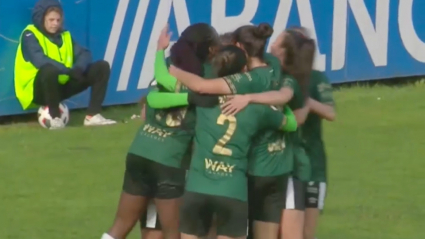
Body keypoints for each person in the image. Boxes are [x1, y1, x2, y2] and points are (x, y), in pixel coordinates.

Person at [100, 23, 220, 239]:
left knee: (120, 225)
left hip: (140, 150)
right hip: (170, 161)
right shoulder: (208, 77)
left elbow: (151, 101)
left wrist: (159, 50)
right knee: (173, 233)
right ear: (210, 49)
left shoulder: (167, 66)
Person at [220, 27, 317, 239]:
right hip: (276, 168)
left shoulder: (252, 80)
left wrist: (251, 100)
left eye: (277, 43)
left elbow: (294, 116)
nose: (271, 45)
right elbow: (294, 116)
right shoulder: (281, 74)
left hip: (264, 169)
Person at [13, 0, 116, 129]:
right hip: (37, 90)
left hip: (60, 84)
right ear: (41, 18)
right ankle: (55, 118)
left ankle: (92, 116)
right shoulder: (29, 34)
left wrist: (78, 68)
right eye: (51, 20)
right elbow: (39, 60)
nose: (55, 24)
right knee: (48, 70)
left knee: (102, 67)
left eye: (58, 20)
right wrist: (67, 70)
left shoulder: (65, 35)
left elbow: (84, 53)